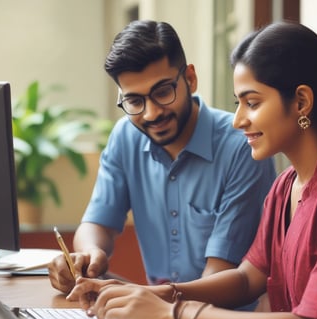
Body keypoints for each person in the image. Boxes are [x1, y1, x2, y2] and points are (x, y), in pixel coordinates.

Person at [67, 21, 317, 319]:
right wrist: (155, 295)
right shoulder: (285, 186)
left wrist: (174, 314)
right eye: (237, 103)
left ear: (301, 101)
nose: (239, 120)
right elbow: (245, 279)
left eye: (252, 103)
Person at [48, 20, 275, 296]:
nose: (151, 113)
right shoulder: (125, 137)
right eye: (134, 101)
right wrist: (89, 256)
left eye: (163, 92)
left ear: (190, 78)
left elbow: (220, 277)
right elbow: (97, 224)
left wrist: (140, 298)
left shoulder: (242, 147)